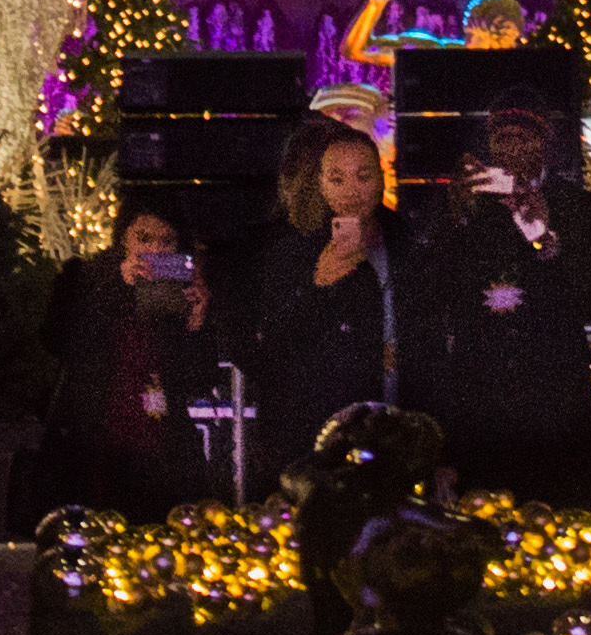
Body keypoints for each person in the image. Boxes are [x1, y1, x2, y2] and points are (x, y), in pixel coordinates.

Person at [418, 103, 591, 501]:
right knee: (484, 518)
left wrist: (544, 236)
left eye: (521, 138)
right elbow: (434, 293)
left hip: (553, 396)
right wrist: (456, 214)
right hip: (482, 398)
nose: (509, 149)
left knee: (559, 515)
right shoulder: (468, 203)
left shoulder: (582, 208)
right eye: (499, 138)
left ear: (544, 144)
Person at [30, 207, 239, 517]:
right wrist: (116, 287)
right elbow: (59, 341)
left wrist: (196, 324)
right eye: (143, 238)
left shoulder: (177, 296)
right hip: (98, 449)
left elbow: (199, 379)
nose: (154, 250)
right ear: (123, 240)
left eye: (166, 242)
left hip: (163, 450)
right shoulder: (88, 279)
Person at [245, 121, 403, 489]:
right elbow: (268, 350)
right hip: (317, 435)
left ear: (381, 179)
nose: (351, 191)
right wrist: (317, 285)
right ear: (320, 185)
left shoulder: (405, 242)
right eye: (337, 179)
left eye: (363, 176)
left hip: (395, 424)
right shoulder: (293, 253)